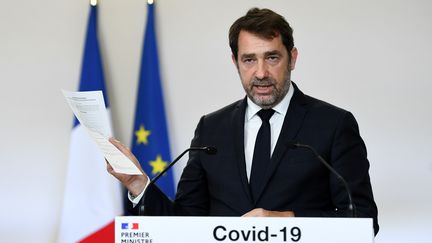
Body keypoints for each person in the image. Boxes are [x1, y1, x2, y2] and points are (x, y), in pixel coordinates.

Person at [108, 7, 379, 235]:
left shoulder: (333, 124)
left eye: (272, 57)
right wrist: (138, 185)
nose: (261, 72)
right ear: (235, 62)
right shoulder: (211, 129)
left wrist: (287, 220)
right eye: (249, 60)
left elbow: (363, 221)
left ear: (292, 58)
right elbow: (184, 223)